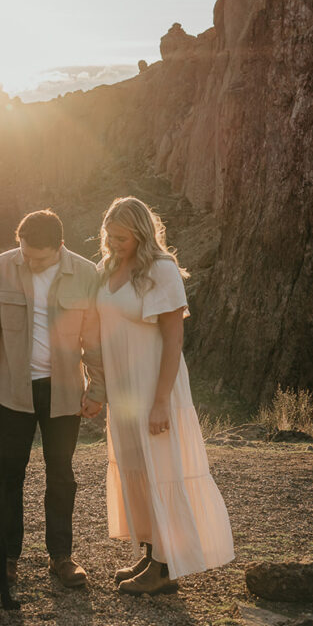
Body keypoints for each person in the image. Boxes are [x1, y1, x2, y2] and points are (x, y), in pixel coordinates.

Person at [96, 196, 234, 595]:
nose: (113, 242)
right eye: (109, 235)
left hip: (153, 385)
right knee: (136, 467)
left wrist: (160, 402)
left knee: (162, 468)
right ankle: (152, 551)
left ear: (141, 234)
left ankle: (167, 566)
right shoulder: (106, 269)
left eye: (122, 237)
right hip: (123, 393)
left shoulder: (161, 270)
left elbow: (174, 339)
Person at [0, 209, 105, 588]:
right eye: (25, 252)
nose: (29, 261)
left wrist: (97, 388)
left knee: (60, 474)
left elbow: (93, 338)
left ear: (60, 248)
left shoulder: (85, 273)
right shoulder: (0, 267)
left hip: (63, 392)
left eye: (39, 258)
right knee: (9, 475)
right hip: (13, 392)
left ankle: (61, 557)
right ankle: (7, 558)